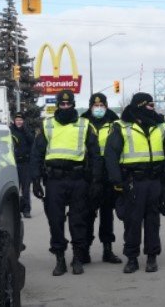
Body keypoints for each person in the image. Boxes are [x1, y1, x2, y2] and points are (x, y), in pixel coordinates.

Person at [104, 92, 165, 273]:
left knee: (153, 220)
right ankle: (132, 258)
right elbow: (111, 155)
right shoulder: (121, 127)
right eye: (149, 105)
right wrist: (117, 181)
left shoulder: (160, 126)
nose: (153, 108)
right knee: (132, 221)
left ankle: (152, 257)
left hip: (155, 180)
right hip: (133, 181)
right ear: (139, 106)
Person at [30, 89, 103, 276]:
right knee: (55, 221)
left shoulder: (84, 125)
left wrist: (96, 180)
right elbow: (36, 154)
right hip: (54, 180)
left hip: (78, 179)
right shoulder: (48, 125)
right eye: (61, 104)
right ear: (57, 105)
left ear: (73, 104)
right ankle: (60, 259)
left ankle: (77, 258)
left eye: (68, 103)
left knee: (78, 221)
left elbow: (95, 155)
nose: (65, 106)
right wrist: (35, 180)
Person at [80, 93, 122, 264]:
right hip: (88, 173)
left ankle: (107, 249)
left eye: (101, 105)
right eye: (95, 106)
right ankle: (85, 249)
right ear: (90, 106)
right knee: (87, 213)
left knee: (107, 213)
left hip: (108, 172)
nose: (98, 108)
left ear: (106, 106)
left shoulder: (114, 122)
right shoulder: (82, 122)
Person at [10, 112, 34, 218]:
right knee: (15, 188)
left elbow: (32, 141)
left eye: (20, 120)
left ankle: (26, 210)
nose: (19, 122)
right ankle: (15, 211)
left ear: (23, 121)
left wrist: (25, 131)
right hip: (14, 164)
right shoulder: (10, 131)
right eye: (17, 120)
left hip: (25, 164)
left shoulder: (28, 130)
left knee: (25, 189)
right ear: (14, 121)